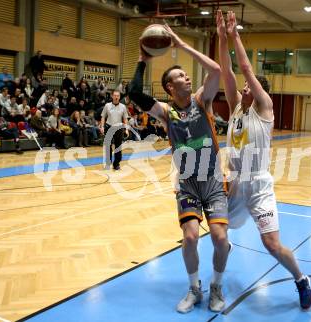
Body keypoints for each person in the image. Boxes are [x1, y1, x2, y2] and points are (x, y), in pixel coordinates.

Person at [128, 24, 230, 314]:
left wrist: (182, 45)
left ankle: (217, 287)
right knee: (190, 237)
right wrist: (143, 60)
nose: (187, 78)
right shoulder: (164, 112)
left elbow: (216, 72)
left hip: (211, 181)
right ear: (170, 88)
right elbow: (133, 91)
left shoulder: (202, 100)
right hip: (187, 183)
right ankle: (194, 288)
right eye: (180, 77)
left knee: (221, 240)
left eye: (186, 75)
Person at [216, 10, 311, 310]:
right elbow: (228, 72)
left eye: (251, 86)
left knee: (271, 245)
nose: (244, 87)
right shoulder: (235, 108)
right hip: (235, 183)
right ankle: (224, 251)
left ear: (259, 93)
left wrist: (235, 35)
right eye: (245, 86)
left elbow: (244, 67)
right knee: (218, 230)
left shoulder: (265, 109)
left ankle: (301, 279)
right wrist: (221, 39)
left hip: (259, 186)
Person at [99, 90, 128, 170]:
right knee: (108, 146)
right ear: (112, 96)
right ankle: (108, 163)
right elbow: (103, 117)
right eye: (115, 95)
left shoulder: (123, 107)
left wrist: (126, 129)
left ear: (119, 97)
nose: (116, 97)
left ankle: (116, 164)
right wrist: (102, 127)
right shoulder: (107, 105)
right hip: (109, 127)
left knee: (118, 146)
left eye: (118, 96)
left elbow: (125, 118)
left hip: (119, 128)